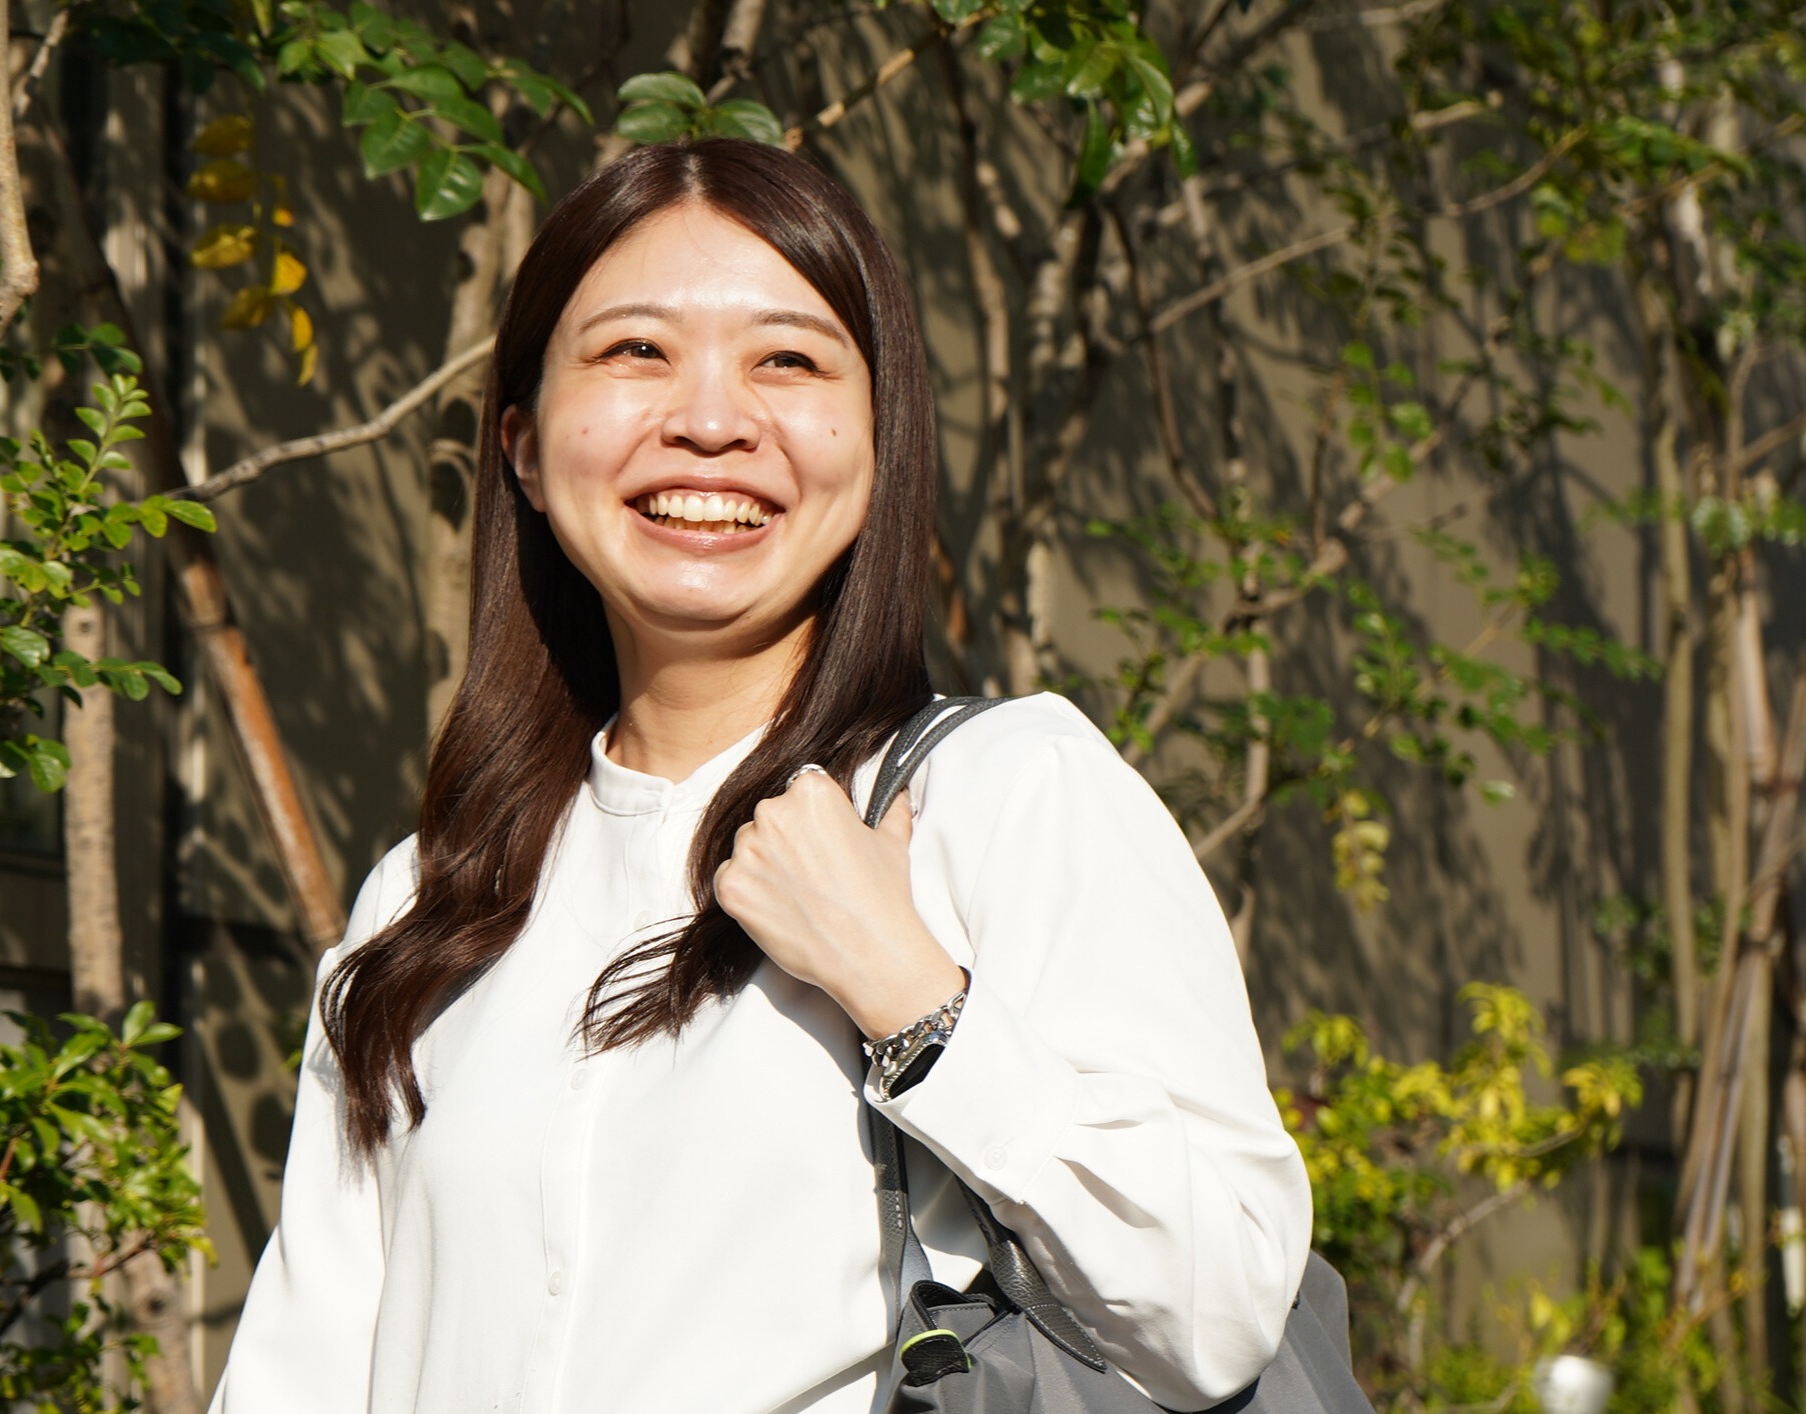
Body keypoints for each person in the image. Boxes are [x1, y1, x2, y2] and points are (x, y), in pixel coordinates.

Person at [210, 137, 1310, 1414]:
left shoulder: (1005, 798)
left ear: (879, 437)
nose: (711, 420)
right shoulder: (424, 904)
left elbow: (1218, 1308)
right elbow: (298, 1376)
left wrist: (912, 996)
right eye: (636, 350)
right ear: (523, 445)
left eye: (786, 360)